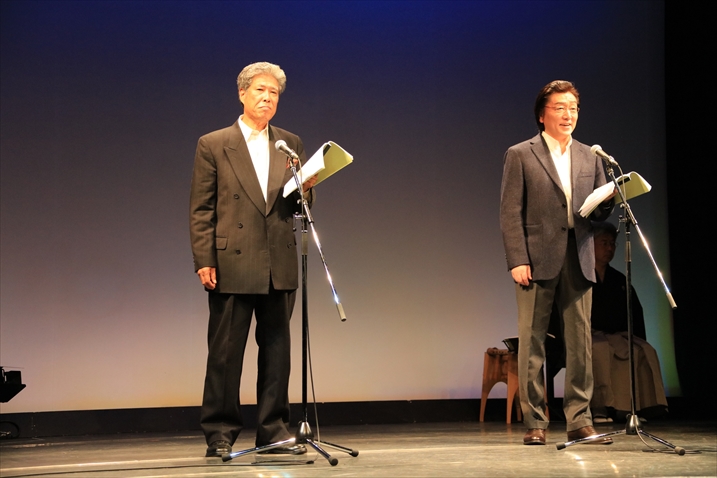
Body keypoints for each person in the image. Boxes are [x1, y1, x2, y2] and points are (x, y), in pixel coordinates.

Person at [189, 61, 316, 457]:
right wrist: (204, 258)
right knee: (225, 354)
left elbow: (300, 204)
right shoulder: (214, 143)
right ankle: (220, 432)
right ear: (242, 93)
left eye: (274, 93)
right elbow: (202, 208)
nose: (267, 98)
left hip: (278, 260)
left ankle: (273, 431)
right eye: (260, 90)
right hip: (232, 261)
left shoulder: (290, 143)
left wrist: (309, 185)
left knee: (277, 352)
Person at [499, 80, 614, 445]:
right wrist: (517, 258)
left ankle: (579, 420)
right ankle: (535, 421)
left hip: (579, 254)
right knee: (533, 341)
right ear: (541, 114)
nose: (568, 115)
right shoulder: (520, 154)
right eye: (560, 108)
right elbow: (509, 212)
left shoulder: (591, 156)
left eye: (573, 108)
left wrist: (610, 198)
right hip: (535, 258)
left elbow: (598, 213)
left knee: (580, 342)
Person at [590, 221, 668, 422]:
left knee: (643, 350)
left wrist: (634, 337)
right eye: (604, 243)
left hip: (617, 333)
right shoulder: (582, 277)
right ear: (591, 244)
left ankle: (634, 408)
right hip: (590, 334)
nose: (609, 248)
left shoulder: (619, 280)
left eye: (612, 244)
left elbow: (634, 312)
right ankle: (600, 408)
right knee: (601, 349)